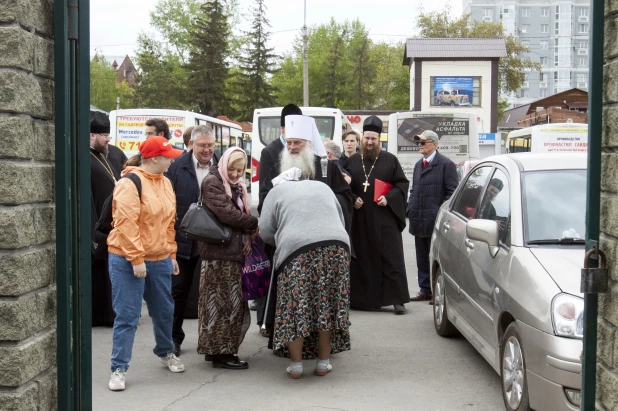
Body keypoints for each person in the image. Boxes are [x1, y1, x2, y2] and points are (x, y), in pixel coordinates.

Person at [107, 137, 185, 392]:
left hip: (159, 257)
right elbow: (126, 224)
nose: (172, 160)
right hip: (126, 258)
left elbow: (169, 223)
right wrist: (136, 259)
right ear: (153, 159)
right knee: (128, 315)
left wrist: (171, 254)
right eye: (168, 156)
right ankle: (118, 368)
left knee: (164, 311)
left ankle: (165, 352)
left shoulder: (166, 182)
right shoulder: (129, 183)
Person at [260, 174, 351, 379]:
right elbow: (340, 218)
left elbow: (265, 231)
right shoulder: (321, 186)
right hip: (336, 246)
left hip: (296, 249)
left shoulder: (275, 191)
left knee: (296, 307)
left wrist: (283, 236)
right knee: (326, 305)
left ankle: (297, 366)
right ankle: (323, 363)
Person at [198, 147, 259, 370]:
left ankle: (215, 349)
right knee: (222, 305)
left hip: (230, 253)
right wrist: (252, 224)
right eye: (232, 169)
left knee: (228, 304)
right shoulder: (213, 182)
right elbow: (226, 213)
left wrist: (248, 235)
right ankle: (221, 354)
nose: (235, 174)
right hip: (218, 254)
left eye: (240, 170)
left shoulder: (235, 184)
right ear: (224, 165)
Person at [343, 116, 410, 314]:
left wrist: (389, 198)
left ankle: (397, 300)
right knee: (361, 258)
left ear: (379, 139)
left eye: (373, 139)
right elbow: (342, 187)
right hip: (360, 219)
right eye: (367, 139)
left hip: (384, 218)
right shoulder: (353, 161)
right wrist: (353, 197)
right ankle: (360, 300)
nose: (370, 142)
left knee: (391, 258)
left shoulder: (390, 160)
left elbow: (402, 184)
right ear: (362, 138)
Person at [164, 124, 220, 356]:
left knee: (213, 292)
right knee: (178, 291)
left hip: (215, 240)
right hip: (183, 240)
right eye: (202, 146)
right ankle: (173, 338)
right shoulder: (176, 167)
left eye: (210, 145)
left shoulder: (221, 167)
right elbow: (167, 204)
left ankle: (212, 342)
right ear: (191, 144)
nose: (207, 150)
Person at [254, 104, 303, 335]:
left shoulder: (308, 153)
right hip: (279, 224)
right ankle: (268, 321)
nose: (293, 146)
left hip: (303, 227)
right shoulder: (270, 152)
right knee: (273, 272)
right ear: (282, 130)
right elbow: (264, 192)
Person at [407, 130, 458, 304]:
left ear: (435, 144)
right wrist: (410, 207)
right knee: (421, 256)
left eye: (423, 142)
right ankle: (425, 289)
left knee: (436, 256)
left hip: (435, 219)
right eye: (418, 143)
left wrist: (439, 212)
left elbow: (452, 192)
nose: (420, 146)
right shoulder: (418, 165)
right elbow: (414, 190)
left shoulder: (446, 164)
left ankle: (438, 291)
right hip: (418, 217)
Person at [90, 111, 120, 327]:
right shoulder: (83, 157)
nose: (108, 139)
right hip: (96, 226)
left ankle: (109, 314)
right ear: (92, 135)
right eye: (104, 135)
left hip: (113, 224)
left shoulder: (111, 155)